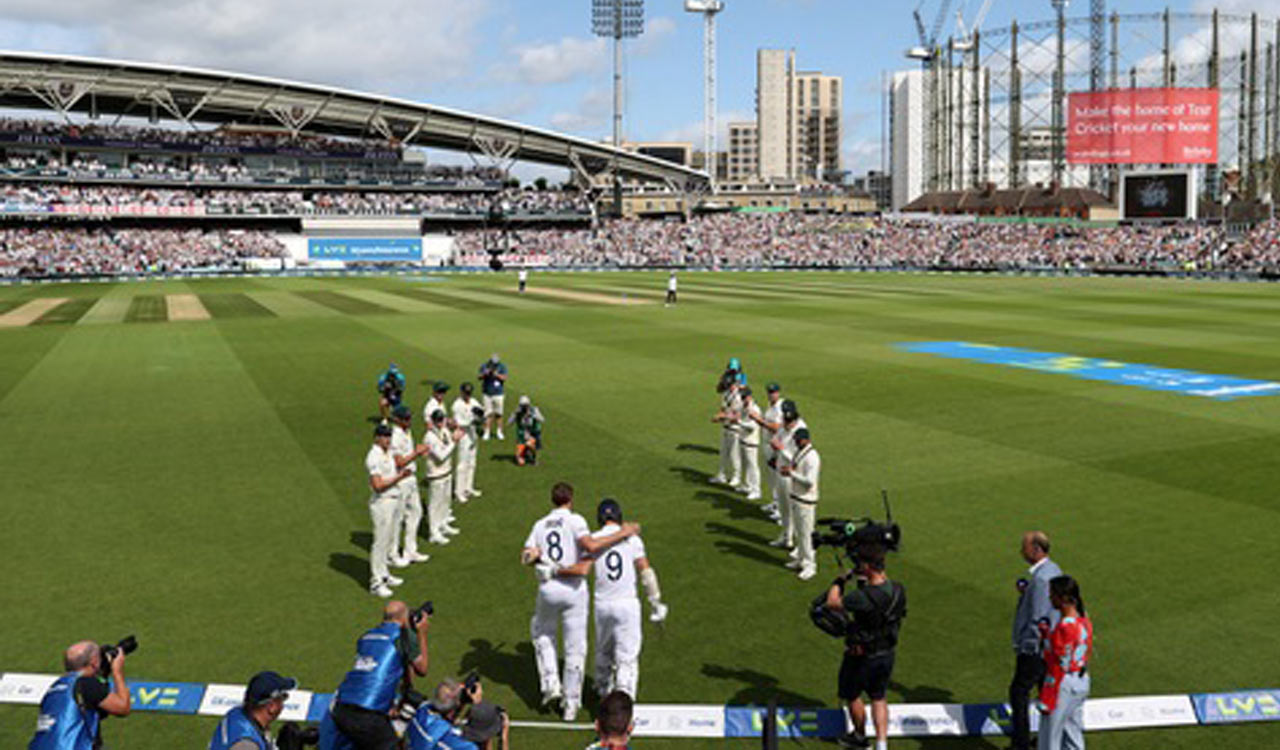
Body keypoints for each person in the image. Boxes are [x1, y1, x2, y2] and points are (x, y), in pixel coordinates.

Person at [520, 482, 640, 721]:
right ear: (570, 499)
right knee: (576, 649)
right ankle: (571, 706)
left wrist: (543, 562)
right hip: (574, 591)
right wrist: (623, 533)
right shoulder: (576, 521)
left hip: (548, 590)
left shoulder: (540, 524)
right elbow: (591, 546)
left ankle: (551, 683)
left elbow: (526, 556)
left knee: (542, 633)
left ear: (552, 500)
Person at [824, 544, 907, 750]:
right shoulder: (898, 589)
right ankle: (881, 744)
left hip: (861, 655)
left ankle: (860, 737)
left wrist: (839, 580)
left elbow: (832, 603)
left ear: (868, 566)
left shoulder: (861, 597)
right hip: (886, 653)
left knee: (852, 695)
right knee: (879, 697)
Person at [319, 601, 431, 750]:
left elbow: (379, 671)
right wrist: (421, 634)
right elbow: (422, 669)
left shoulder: (367, 636)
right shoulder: (403, 636)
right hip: (368, 714)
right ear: (404, 618)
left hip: (342, 707)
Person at [1010, 531, 1063, 750]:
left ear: (1036, 550)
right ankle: (1045, 739)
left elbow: (1038, 618)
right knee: (1044, 695)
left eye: (1025, 547)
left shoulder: (1042, 578)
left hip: (1037, 649)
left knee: (1019, 693)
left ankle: (1021, 744)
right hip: (1048, 648)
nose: (1021, 551)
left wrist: (1026, 646)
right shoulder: (1053, 570)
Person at [28, 641, 131, 750]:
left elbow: (93, 713)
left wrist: (103, 675)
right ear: (94, 662)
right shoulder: (87, 683)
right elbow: (123, 707)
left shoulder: (54, 688)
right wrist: (117, 671)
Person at [1035, 576, 1092, 750]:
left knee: (1049, 737)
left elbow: (1059, 662)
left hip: (1063, 683)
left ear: (1063, 597)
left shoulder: (1065, 627)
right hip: (1081, 680)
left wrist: (1047, 695)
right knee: (1073, 733)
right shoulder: (1084, 619)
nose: (1050, 598)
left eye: (1052, 594)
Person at [367, 423, 414, 598]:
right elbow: (378, 485)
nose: (388, 440)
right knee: (380, 543)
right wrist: (399, 477)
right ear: (377, 438)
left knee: (387, 540)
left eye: (389, 436)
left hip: (392, 499)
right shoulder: (373, 457)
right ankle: (376, 583)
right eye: (384, 436)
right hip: (382, 502)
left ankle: (384, 574)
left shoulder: (387, 453)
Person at [208, 671, 297, 750]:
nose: (283, 703)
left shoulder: (236, 713)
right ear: (271, 707)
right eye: (283, 697)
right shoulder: (247, 745)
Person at [389, 405, 431, 568]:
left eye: (409, 417)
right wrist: (417, 453)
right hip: (400, 480)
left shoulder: (407, 431)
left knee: (416, 512)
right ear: (397, 420)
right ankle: (392, 554)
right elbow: (398, 462)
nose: (409, 421)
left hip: (411, 478)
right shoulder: (395, 436)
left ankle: (410, 550)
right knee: (397, 518)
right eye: (406, 418)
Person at [779, 424, 819, 580]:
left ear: (806, 440)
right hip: (796, 497)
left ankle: (810, 565)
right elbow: (795, 468)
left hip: (806, 500)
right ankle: (801, 560)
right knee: (799, 533)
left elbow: (809, 481)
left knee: (806, 534)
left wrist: (792, 474)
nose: (795, 442)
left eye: (798, 440)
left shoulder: (812, 457)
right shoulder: (800, 452)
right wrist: (789, 471)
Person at [767, 400, 807, 553]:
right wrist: (774, 454)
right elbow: (777, 439)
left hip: (792, 475)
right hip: (780, 471)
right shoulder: (784, 428)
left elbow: (798, 458)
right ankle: (786, 537)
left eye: (789, 420)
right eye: (785, 419)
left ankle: (799, 545)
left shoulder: (800, 431)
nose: (785, 422)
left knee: (794, 511)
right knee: (784, 508)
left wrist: (781, 450)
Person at [424, 410, 464, 545]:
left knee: (445, 500)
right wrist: (454, 442)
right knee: (435, 503)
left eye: (443, 420)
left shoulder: (445, 431)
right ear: (434, 421)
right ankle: (433, 532)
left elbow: (448, 445)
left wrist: (454, 435)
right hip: (436, 474)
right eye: (439, 421)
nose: (441, 423)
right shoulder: (430, 437)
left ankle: (442, 525)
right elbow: (441, 456)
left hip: (447, 472)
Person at [751, 382, 785, 520]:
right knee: (771, 478)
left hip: (775, 447)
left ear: (778, 392)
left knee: (778, 478)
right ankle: (775, 502)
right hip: (767, 444)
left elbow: (777, 427)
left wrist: (759, 421)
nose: (771, 395)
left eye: (773, 392)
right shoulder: (770, 406)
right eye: (770, 392)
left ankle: (780, 509)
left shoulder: (779, 408)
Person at [709, 358, 745, 487]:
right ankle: (722, 474)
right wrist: (720, 415)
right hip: (725, 426)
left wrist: (721, 417)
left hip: (735, 428)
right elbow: (723, 408)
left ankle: (736, 476)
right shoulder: (726, 394)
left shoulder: (738, 396)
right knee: (723, 453)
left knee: (734, 454)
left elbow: (737, 415)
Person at [451, 383, 483, 503]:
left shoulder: (473, 401)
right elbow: (459, 422)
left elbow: (481, 412)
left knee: (472, 462)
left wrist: (480, 414)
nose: (468, 395)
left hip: (472, 434)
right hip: (463, 434)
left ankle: (468, 488)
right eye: (466, 393)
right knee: (462, 463)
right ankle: (458, 492)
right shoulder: (457, 405)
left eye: (469, 393)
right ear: (461, 392)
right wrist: (472, 420)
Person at [735, 387, 762, 501]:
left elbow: (752, 427)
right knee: (745, 464)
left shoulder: (755, 409)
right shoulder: (743, 406)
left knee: (752, 466)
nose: (743, 399)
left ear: (750, 396)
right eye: (742, 397)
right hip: (742, 439)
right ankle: (746, 485)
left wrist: (739, 422)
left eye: (745, 397)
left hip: (751, 442)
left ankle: (756, 490)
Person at [507, 395, 545, 466]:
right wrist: (514, 415)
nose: (524, 408)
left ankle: (534, 459)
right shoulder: (518, 412)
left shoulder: (534, 410)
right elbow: (509, 423)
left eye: (525, 406)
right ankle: (526, 453)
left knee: (529, 444)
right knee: (521, 463)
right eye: (523, 406)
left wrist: (533, 415)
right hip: (522, 437)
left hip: (533, 434)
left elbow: (542, 419)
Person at [478, 355, 508, 441]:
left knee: (499, 414)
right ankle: (487, 431)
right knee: (488, 413)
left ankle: (499, 431)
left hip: (498, 394)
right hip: (487, 393)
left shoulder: (502, 367)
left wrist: (497, 375)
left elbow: (505, 378)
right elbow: (479, 377)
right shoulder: (484, 366)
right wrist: (485, 374)